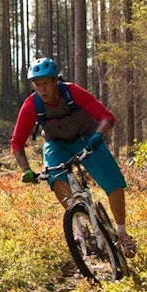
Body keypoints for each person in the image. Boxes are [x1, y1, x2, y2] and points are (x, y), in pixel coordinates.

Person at [11, 57, 137, 258]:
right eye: (37, 85)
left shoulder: (73, 92)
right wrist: (26, 169)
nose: (41, 89)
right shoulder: (32, 105)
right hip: (56, 145)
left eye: (45, 84)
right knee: (55, 178)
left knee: (113, 182)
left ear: (55, 81)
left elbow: (107, 117)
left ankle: (122, 233)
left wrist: (98, 135)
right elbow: (17, 143)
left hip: (87, 139)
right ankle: (78, 222)